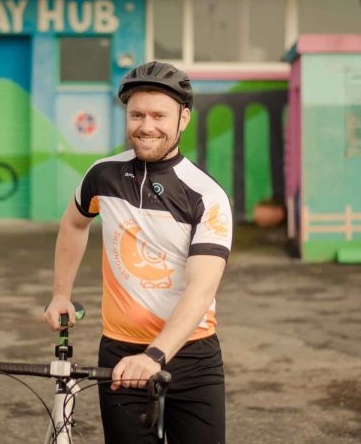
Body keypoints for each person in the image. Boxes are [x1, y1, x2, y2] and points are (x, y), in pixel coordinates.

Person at [43, 61, 232, 444]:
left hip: (191, 357)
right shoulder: (102, 175)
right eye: (137, 114)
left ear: (184, 119)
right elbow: (74, 224)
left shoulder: (206, 195)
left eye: (159, 115)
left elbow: (202, 288)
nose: (147, 126)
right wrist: (61, 293)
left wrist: (155, 356)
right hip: (120, 352)